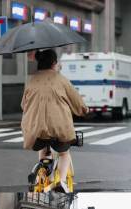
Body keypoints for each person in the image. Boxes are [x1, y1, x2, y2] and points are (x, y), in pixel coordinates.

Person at [21, 49, 88, 192]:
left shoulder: (31, 81)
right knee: (64, 153)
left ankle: (41, 174)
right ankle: (61, 182)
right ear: (54, 63)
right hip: (59, 129)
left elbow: (23, 105)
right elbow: (77, 102)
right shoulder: (61, 79)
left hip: (35, 130)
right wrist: (83, 110)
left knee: (43, 147)